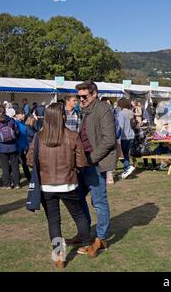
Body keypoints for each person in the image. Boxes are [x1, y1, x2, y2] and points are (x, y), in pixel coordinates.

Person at [26, 103, 92, 269]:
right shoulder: (72, 135)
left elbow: (29, 160)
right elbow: (82, 162)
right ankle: (87, 245)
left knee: (54, 221)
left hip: (47, 186)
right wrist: (73, 167)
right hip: (68, 184)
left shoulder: (39, 137)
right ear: (63, 116)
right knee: (79, 215)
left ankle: (59, 256)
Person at [67, 80, 116, 258]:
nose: (81, 100)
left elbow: (109, 140)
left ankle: (101, 238)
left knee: (99, 201)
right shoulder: (86, 110)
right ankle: (84, 233)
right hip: (84, 163)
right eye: (78, 97)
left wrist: (90, 159)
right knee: (76, 197)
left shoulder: (103, 109)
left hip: (96, 163)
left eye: (84, 96)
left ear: (94, 94)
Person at [0, 105, 20, 189]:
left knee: (4, 166)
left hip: (2, 147)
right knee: (15, 166)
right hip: (13, 146)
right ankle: (17, 183)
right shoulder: (11, 120)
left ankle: (7, 184)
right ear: (5, 111)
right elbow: (17, 132)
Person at [117, 98, 136, 179]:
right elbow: (133, 124)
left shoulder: (121, 113)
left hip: (124, 136)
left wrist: (117, 137)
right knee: (126, 154)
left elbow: (120, 126)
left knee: (119, 155)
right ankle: (127, 172)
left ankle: (128, 167)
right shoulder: (131, 112)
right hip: (131, 135)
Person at [14, 109, 31, 183]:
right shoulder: (15, 124)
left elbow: (25, 136)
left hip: (23, 147)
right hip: (17, 148)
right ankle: (9, 178)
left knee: (24, 164)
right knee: (15, 165)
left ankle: (29, 178)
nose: (24, 115)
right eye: (22, 114)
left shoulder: (23, 123)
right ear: (17, 115)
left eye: (24, 114)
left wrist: (27, 146)